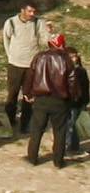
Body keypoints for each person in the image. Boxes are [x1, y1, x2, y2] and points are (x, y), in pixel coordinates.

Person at [25, 33, 82, 167]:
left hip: (41, 99)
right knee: (60, 131)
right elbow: (72, 82)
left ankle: (32, 158)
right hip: (59, 101)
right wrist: (73, 98)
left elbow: (30, 76)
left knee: (37, 130)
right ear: (61, 44)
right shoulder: (66, 60)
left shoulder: (39, 57)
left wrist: (27, 93)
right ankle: (58, 161)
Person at [3, 2, 49, 128]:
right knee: (12, 94)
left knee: (29, 96)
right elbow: (6, 39)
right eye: (29, 11)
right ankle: (9, 121)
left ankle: (25, 124)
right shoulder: (11, 22)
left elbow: (45, 40)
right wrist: (10, 55)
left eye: (34, 11)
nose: (32, 14)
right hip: (15, 64)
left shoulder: (38, 23)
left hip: (32, 65)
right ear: (22, 10)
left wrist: (49, 33)